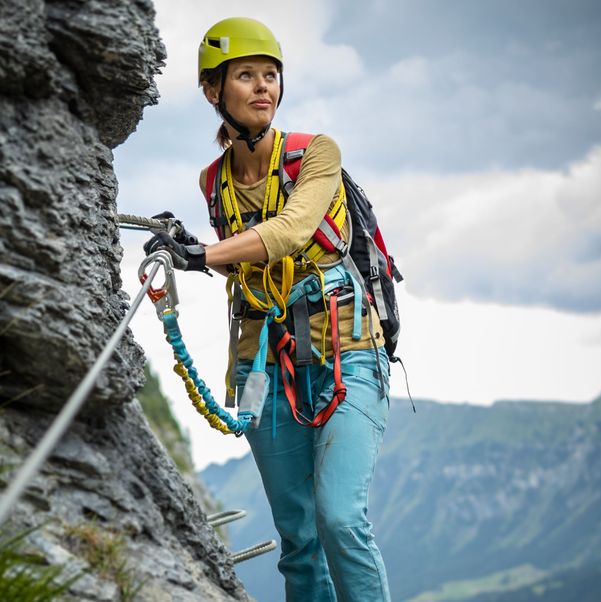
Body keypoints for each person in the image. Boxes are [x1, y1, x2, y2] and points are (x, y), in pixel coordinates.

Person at [144, 17, 391, 601]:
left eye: (271, 76)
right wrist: (194, 252)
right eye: (247, 76)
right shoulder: (215, 181)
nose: (264, 88)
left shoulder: (316, 155)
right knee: (297, 539)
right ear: (213, 91)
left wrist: (200, 251)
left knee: (338, 518)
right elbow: (241, 263)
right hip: (263, 366)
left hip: (348, 351)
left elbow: (293, 229)